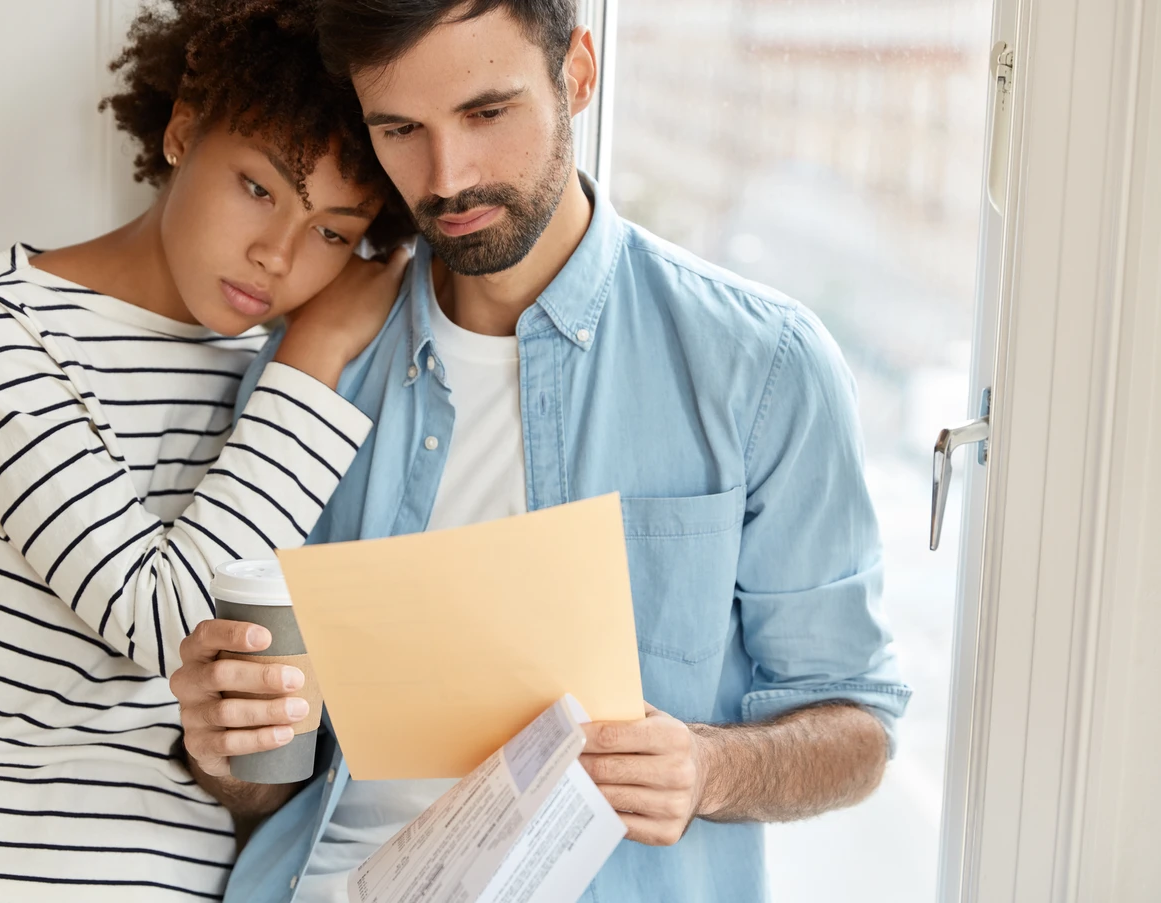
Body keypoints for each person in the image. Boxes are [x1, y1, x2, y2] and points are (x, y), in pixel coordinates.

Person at [171, 1, 913, 901]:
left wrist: (709, 768)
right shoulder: (312, 370)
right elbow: (262, 784)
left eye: (487, 113)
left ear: (579, 76)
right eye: (401, 129)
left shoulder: (760, 366)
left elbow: (855, 725)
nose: (447, 176)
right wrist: (228, 747)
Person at [0, 2, 415, 902]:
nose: (276, 254)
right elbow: (163, 622)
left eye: (330, 230)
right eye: (258, 187)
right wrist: (317, 353)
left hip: (160, 877)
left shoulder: (280, 389)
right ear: (180, 132)